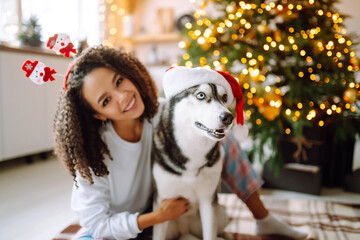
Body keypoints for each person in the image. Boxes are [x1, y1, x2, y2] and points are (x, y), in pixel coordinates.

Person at [53, 45, 307, 240]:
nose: (123, 97)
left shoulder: (161, 114)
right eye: (106, 100)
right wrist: (157, 217)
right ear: (97, 114)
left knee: (218, 137)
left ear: (129, 73)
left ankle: (262, 217)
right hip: (116, 230)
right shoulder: (92, 154)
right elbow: (98, 225)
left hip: (156, 221)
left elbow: (202, 110)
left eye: (119, 81)